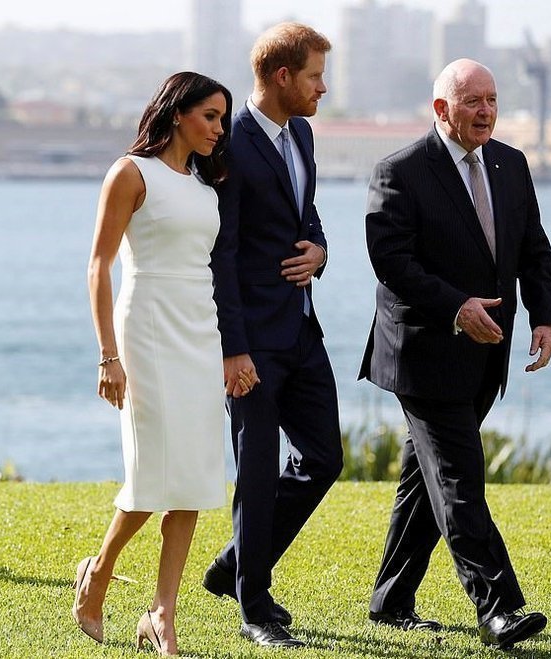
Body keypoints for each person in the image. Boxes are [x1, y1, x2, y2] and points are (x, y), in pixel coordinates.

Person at [358, 58, 551, 651]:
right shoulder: (399, 170)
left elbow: (533, 248)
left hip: (486, 355)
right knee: (458, 478)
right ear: (441, 109)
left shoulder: (511, 163)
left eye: (492, 99)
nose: (486, 111)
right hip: (423, 354)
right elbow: (391, 261)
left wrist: (546, 316)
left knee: (425, 480)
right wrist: (456, 307)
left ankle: (391, 599)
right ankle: (499, 607)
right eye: (473, 100)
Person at [79, 71, 240, 656]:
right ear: (177, 113)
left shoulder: (205, 186)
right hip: (146, 327)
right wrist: (108, 356)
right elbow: (99, 267)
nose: (218, 129)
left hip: (199, 330)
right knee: (150, 475)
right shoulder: (130, 173)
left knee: (193, 478)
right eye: (209, 116)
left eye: (222, 119)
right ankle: (98, 572)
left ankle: (161, 615)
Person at [206, 22, 343, 649]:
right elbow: (222, 253)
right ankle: (254, 607)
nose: (323, 88)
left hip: (302, 327)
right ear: (282, 76)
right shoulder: (229, 144)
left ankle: (234, 564)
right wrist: (233, 349)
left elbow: (304, 214)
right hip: (252, 342)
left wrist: (320, 250)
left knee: (324, 459)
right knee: (257, 470)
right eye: (314, 76)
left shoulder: (303, 134)